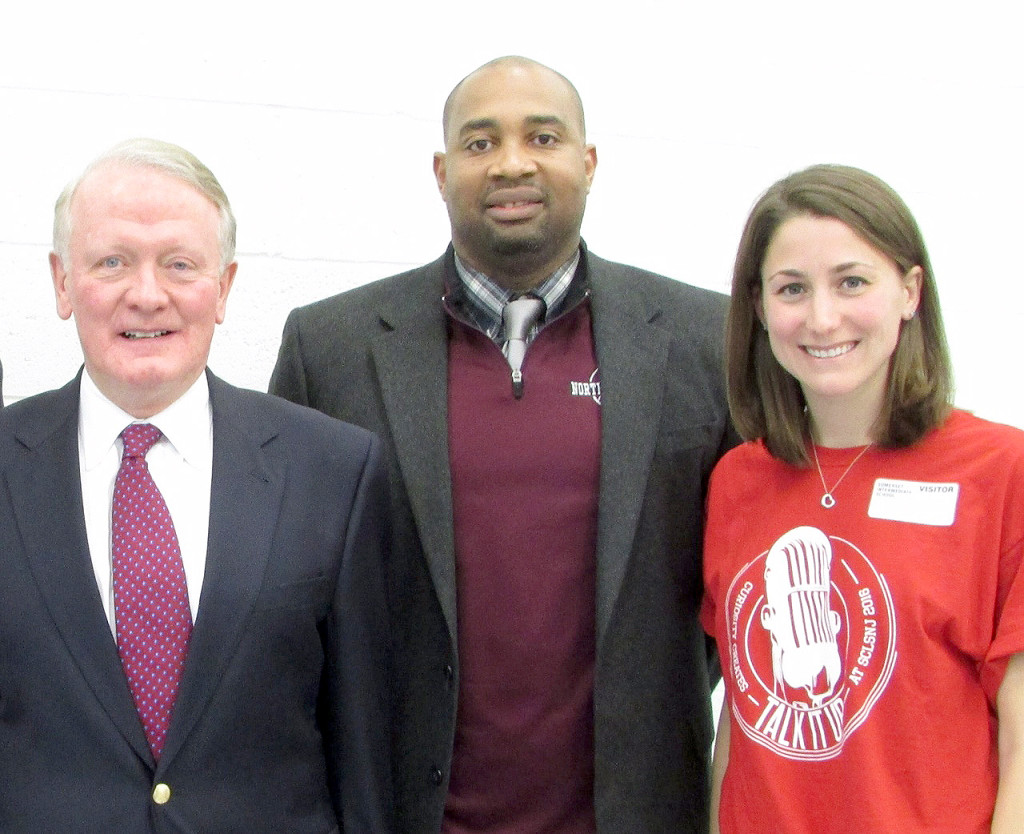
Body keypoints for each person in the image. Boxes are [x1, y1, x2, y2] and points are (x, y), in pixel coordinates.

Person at [271, 56, 734, 833]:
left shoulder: (703, 342)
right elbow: (286, 598)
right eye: (480, 143)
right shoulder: (332, 348)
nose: (512, 162)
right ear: (441, 170)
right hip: (404, 813)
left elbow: (745, 583)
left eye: (542, 137)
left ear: (588, 163)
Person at [0, 138, 393, 832]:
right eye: (112, 262)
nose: (147, 295)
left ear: (224, 288)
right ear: (63, 283)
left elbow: (361, 745)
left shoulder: (332, 470)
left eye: (179, 265)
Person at [701, 164, 1024, 832]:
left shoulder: (1002, 471)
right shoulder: (738, 479)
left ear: (909, 291)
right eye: (792, 289)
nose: (822, 318)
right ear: (759, 308)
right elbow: (742, 711)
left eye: (851, 282)